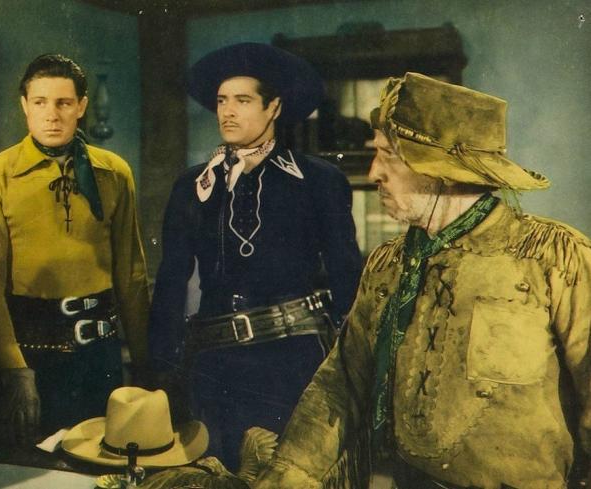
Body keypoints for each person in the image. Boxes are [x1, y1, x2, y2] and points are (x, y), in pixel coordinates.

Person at [253, 72, 591, 488]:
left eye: (388, 155)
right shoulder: (387, 265)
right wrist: (285, 478)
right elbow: (341, 384)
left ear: (441, 172)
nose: (374, 172)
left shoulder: (553, 257)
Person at [148, 43, 362, 471]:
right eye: (222, 101)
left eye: (243, 100)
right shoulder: (193, 186)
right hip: (213, 366)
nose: (228, 112)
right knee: (218, 474)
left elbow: (348, 279)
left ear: (274, 107)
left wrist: (352, 368)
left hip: (292, 361)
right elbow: (171, 279)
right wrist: (162, 368)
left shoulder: (318, 182)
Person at [0, 54, 149, 450]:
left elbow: (132, 276)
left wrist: (146, 365)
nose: (52, 115)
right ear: (24, 106)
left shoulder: (114, 173)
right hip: (28, 359)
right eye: (40, 102)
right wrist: (16, 371)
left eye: (64, 103)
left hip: (97, 359)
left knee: (100, 466)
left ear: (81, 106)